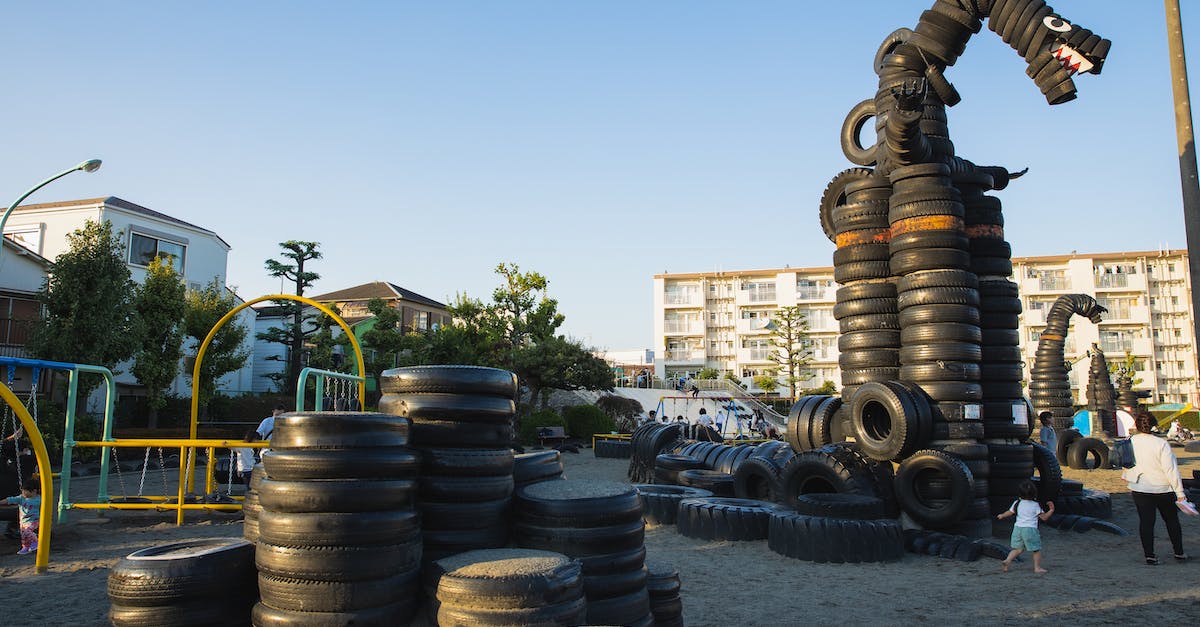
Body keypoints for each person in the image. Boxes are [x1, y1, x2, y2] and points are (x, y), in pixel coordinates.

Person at [1125, 409, 1188, 564]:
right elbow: (1170, 470)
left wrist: (1127, 477)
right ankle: (1179, 552)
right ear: (1153, 425)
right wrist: (1180, 493)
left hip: (1140, 487)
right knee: (1171, 520)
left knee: (1146, 522)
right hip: (1163, 488)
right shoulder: (1161, 444)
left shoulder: (1129, 441)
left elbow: (1125, 462)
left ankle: (1150, 555)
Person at [996, 479, 1054, 573]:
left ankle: (1007, 560)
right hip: (1030, 529)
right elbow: (1044, 518)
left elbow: (1010, 512)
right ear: (1035, 493)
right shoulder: (1035, 505)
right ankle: (1037, 567)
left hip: (1017, 529)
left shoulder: (1017, 503)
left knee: (1018, 549)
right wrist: (1051, 510)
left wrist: (1002, 515)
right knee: (1036, 549)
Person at [4, 480, 40, 555]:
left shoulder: (39, 499)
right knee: (23, 536)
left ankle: (35, 542)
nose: (23, 493)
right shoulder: (21, 498)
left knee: (28, 531)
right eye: (22, 491)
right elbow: (10, 500)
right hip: (23, 521)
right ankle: (25, 547)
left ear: (34, 491)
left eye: (25, 491)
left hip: (34, 520)